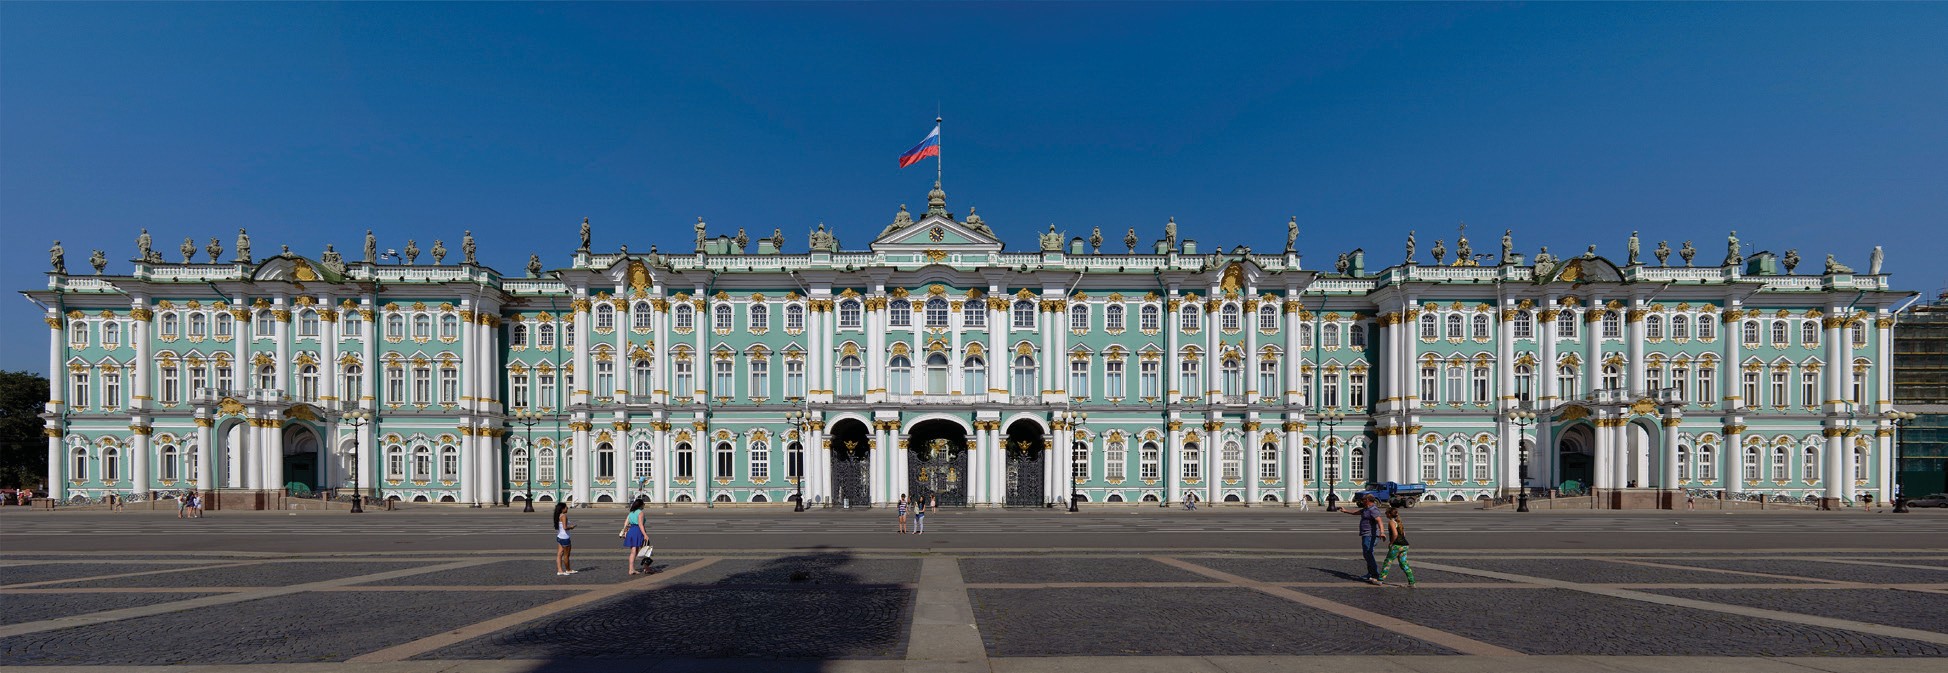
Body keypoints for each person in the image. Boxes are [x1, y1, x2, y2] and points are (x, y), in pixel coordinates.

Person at [1341, 494, 1389, 585]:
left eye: (1363, 499)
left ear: (1367, 500)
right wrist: (1345, 511)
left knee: (1368, 553)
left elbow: (1380, 521)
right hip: (1366, 535)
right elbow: (1357, 512)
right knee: (1367, 554)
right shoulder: (1366, 509)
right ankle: (1370, 573)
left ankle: (1375, 574)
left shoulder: (1373, 510)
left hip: (1371, 535)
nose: (1361, 501)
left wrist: (1382, 532)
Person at [1376, 506, 1415, 588]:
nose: (1385, 514)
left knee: (1388, 562)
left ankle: (1380, 580)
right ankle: (1412, 582)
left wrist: (1391, 543)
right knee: (1404, 564)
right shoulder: (1399, 522)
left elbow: (1395, 534)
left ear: (1390, 514)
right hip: (1405, 545)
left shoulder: (1391, 522)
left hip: (1397, 545)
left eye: (1386, 513)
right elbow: (1403, 534)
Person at [621, 498, 650, 576]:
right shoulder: (640, 513)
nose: (644, 505)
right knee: (645, 550)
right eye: (643, 504)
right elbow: (640, 525)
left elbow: (625, 523)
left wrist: (624, 532)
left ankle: (631, 569)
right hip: (638, 531)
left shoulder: (631, 513)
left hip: (631, 531)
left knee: (633, 552)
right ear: (640, 505)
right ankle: (646, 568)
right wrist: (645, 535)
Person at [553, 502, 577, 576]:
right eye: (566, 507)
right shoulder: (564, 516)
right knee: (566, 555)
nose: (567, 508)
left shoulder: (558, 515)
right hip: (565, 538)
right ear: (562, 509)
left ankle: (560, 570)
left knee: (559, 554)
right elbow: (565, 527)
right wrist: (572, 527)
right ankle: (568, 570)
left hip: (559, 536)